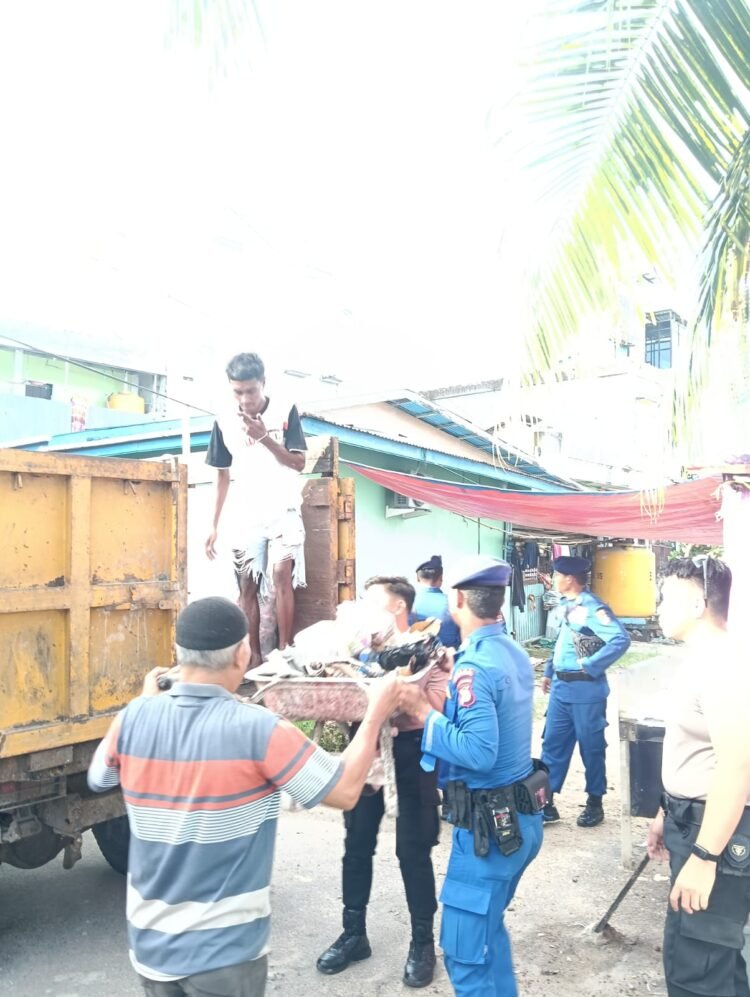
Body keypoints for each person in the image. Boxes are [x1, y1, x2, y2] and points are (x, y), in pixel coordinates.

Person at [87, 596, 400, 997]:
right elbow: (346, 790)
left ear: (179, 658)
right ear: (242, 655)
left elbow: (99, 778)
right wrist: (374, 712)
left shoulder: (133, 717)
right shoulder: (260, 730)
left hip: (150, 950)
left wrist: (147, 702)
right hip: (224, 957)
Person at [398, 554, 545, 996]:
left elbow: (479, 751)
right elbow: (481, 721)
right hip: (518, 820)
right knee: (488, 936)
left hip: (488, 831)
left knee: (465, 955)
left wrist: (421, 710)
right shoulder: (509, 651)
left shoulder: (474, 666)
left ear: (457, 598)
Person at [316, 575, 449, 988]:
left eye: (372, 603)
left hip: (411, 757)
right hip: (365, 752)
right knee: (355, 847)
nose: (361, 609)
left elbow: (440, 709)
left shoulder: (433, 653)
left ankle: (423, 943)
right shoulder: (355, 651)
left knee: (413, 850)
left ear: (396, 608)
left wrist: (406, 697)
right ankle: (354, 935)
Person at [646, 556, 750, 997]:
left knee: (699, 970)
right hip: (690, 819)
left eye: (666, 597)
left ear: (696, 602)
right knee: (712, 962)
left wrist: (706, 857)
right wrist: (663, 812)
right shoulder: (705, 658)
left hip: (716, 833)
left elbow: (738, 765)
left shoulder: (724, 666)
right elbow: (694, 747)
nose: (658, 608)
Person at [204, 352, 307, 668]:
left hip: (284, 510)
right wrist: (214, 525)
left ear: (263, 384)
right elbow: (222, 474)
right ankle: (254, 662)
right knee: (246, 583)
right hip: (247, 514)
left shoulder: (285, 411)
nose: (246, 398)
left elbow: (299, 462)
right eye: (238, 392)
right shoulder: (223, 420)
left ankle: (285, 655)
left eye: (251, 391)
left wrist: (264, 438)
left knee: (280, 575)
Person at [540, 555, 630, 827]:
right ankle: (546, 803)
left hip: (586, 690)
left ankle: (594, 802)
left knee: (591, 749)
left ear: (569, 578)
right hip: (561, 688)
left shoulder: (593, 607)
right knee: (552, 745)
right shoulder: (567, 605)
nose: (554, 580)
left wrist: (591, 665)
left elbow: (620, 639)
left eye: (557, 575)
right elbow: (562, 642)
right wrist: (548, 671)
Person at [412, 554, 461, 649]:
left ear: (417, 578)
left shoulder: (407, 604)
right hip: (450, 659)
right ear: (441, 578)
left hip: (416, 660)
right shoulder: (454, 603)